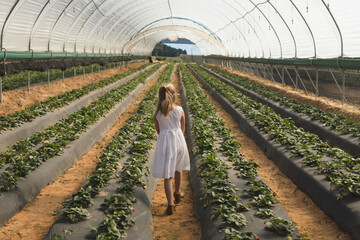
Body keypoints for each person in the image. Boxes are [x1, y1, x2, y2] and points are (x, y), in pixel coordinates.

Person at [152, 83, 190, 215]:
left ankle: (170, 205)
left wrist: (166, 139)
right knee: (178, 169)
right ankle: (178, 193)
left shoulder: (157, 113)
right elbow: (183, 127)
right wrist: (178, 138)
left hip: (166, 144)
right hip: (179, 142)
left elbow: (159, 131)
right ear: (173, 96)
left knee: (168, 176)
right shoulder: (179, 110)